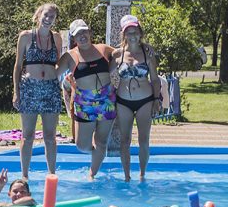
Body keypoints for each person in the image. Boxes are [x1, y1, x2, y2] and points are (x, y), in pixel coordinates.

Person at [56, 19, 117, 180]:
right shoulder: (70, 56)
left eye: (84, 32)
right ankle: (98, 153)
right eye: (78, 34)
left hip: (107, 100)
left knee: (101, 141)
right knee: (82, 145)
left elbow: (123, 54)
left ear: (89, 33)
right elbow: (53, 73)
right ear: (74, 39)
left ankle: (92, 174)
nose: (82, 36)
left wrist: (145, 50)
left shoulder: (102, 49)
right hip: (85, 102)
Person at [13, 3, 64, 178]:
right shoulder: (26, 37)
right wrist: (16, 92)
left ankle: (52, 174)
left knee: (50, 137)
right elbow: (18, 65)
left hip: (51, 89)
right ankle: (24, 176)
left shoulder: (56, 38)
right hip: (29, 89)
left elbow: (59, 64)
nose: (49, 19)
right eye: (46, 15)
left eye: (52, 17)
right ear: (39, 15)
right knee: (27, 136)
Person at [113, 15, 162, 182]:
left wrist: (156, 99)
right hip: (123, 101)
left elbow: (155, 79)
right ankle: (127, 176)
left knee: (143, 139)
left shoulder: (148, 54)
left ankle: (142, 175)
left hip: (145, 100)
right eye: (128, 32)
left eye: (135, 32)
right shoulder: (117, 54)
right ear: (123, 35)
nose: (132, 35)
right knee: (124, 140)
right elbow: (103, 72)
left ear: (140, 33)